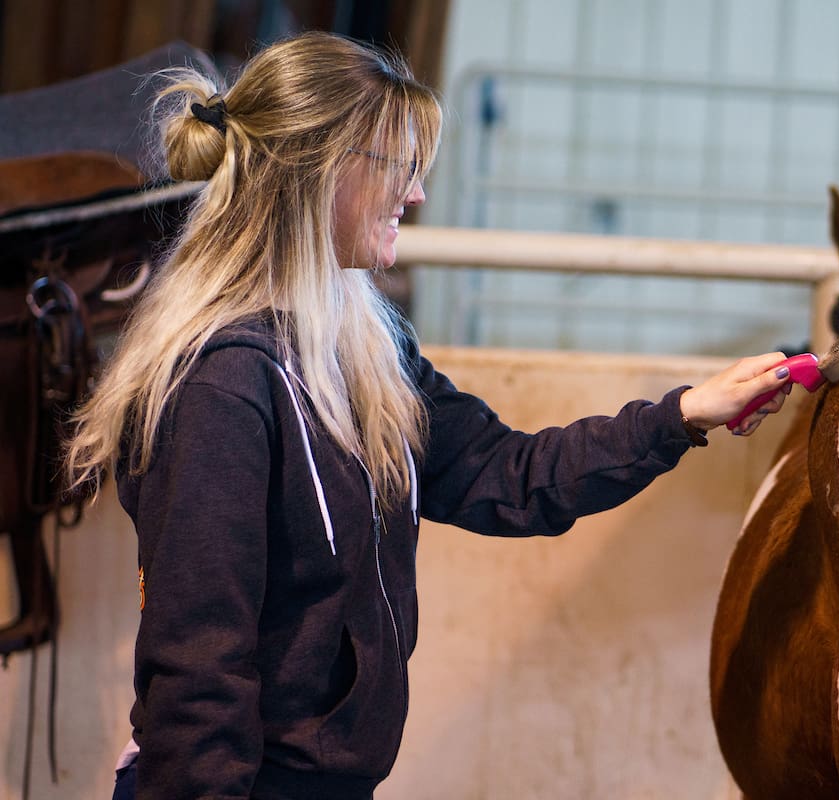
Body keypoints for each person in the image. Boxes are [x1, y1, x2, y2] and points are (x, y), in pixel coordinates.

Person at [65, 31, 791, 800]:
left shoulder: (364, 345)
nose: (414, 196)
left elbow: (511, 476)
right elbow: (197, 671)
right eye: (399, 168)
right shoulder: (223, 384)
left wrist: (684, 415)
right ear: (323, 171)